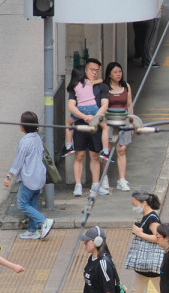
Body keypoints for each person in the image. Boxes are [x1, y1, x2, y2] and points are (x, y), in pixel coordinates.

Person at [5, 111, 51, 240]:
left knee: (23, 204)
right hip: (40, 175)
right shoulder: (37, 138)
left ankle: (44, 221)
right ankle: (32, 230)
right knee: (32, 203)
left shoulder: (25, 142)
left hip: (29, 177)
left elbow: (18, 161)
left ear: (24, 125)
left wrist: (9, 176)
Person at [67, 59, 110, 196]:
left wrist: (94, 117)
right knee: (79, 155)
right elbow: (71, 106)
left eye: (97, 70)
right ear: (85, 70)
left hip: (96, 123)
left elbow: (104, 105)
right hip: (80, 123)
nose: (95, 72)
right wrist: (84, 117)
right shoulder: (78, 84)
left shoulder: (102, 86)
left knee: (95, 155)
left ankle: (96, 185)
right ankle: (78, 185)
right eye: (92, 69)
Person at [104, 61, 133, 192]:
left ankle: (121, 179)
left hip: (124, 120)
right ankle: (104, 178)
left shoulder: (126, 86)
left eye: (120, 71)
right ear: (109, 74)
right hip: (108, 121)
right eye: (115, 72)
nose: (118, 74)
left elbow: (129, 105)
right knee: (107, 151)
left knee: (121, 150)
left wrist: (132, 122)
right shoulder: (104, 87)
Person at [128, 190, 163, 279]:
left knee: (163, 291)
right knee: (135, 292)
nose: (133, 208)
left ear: (144, 203)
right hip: (145, 265)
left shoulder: (152, 219)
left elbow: (158, 238)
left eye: (134, 204)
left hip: (151, 263)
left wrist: (140, 234)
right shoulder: (146, 216)